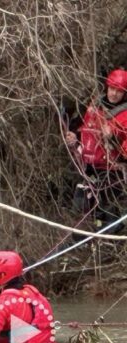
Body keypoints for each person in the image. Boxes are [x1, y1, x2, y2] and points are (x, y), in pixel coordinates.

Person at [65, 68, 127, 230]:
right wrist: (74, 139)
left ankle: (107, 243)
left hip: (112, 173)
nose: (114, 94)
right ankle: (85, 243)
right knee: (82, 212)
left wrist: (113, 136)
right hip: (88, 168)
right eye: (112, 89)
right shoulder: (94, 106)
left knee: (110, 215)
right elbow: (83, 129)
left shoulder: (125, 114)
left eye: (119, 91)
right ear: (107, 87)